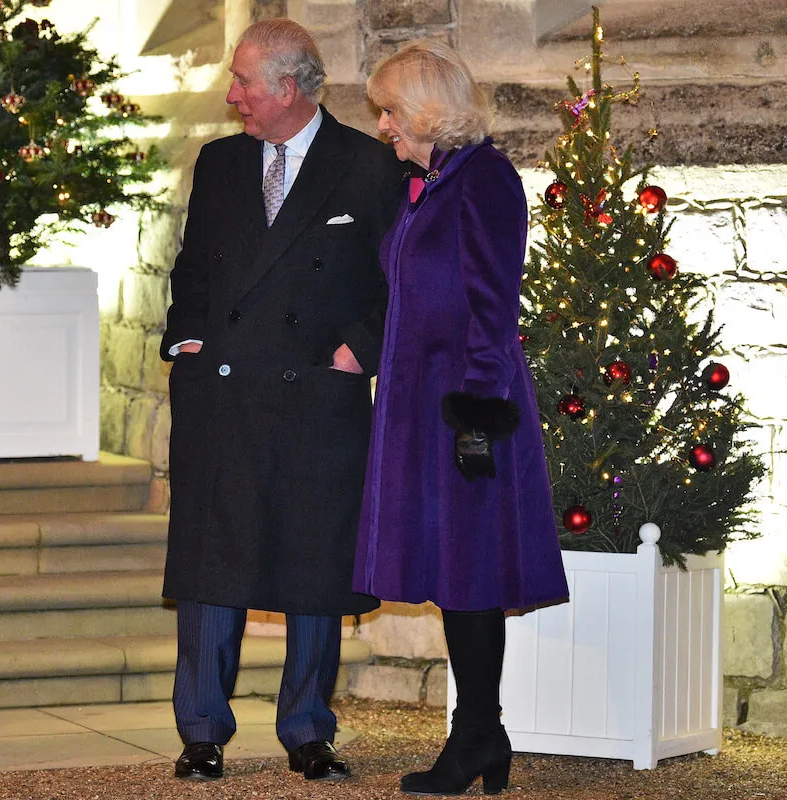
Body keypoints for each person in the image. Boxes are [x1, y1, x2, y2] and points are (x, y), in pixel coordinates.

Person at [160, 18, 404, 783]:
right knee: (212, 565)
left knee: (312, 566)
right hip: (223, 397)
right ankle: (202, 730)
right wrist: (186, 339)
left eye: (244, 84)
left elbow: (399, 280)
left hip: (314, 400)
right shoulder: (223, 162)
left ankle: (307, 728)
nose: (233, 97)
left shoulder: (368, 167)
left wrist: (356, 351)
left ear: (289, 89)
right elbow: (193, 270)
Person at [353, 40, 570, 796]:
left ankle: (477, 733)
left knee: (470, 569)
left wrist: (475, 415)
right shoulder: (436, 179)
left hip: (465, 402)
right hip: (421, 398)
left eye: (389, 110)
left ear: (426, 111)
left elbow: (491, 303)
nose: (382, 126)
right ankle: (483, 732)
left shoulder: (485, 181)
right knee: (453, 570)